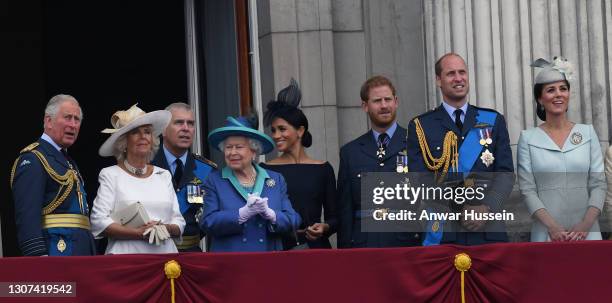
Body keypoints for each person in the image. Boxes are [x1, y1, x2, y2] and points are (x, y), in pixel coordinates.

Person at [406, 53, 514, 245]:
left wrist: (486, 208)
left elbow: (505, 174)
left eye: (462, 72)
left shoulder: (493, 120)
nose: (458, 78)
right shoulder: (421, 126)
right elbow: (420, 180)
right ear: (439, 80)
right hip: (444, 231)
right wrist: (461, 208)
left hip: (488, 230)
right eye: (451, 74)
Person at [517, 57, 606, 242]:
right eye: (551, 90)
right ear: (540, 99)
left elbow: (598, 184)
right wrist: (552, 227)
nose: (558, 94)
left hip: (587, 233)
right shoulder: (528, 138)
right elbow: (528, 190)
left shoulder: (587, 133)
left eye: (563, 89)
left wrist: (585, 225)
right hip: (546, 234)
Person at [337, 75, 421, 248]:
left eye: (388, 99)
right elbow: (345, 210)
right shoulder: (350, 152)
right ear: (365, 106)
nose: (384, 106)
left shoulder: (417, 144)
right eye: (377, 101)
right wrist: (344, 254)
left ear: (396, 101)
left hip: (406, 244)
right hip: (364, 246)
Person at [90, 104, 186, 254]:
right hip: (126, 259)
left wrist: (165, 228)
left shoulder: (164, 175)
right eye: (135, 132)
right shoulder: (110, 175)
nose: (143, 137)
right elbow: (99, 221)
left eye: (147, 132)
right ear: (124, 143)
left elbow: (179, 222)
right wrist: (139, 233)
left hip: (165, 260)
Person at [200, 113, 301, 252]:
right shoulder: (214, 180)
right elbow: (207, 222)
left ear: (254, 151)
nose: (232, 152)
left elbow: (293, 220)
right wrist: (241, 214)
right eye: (228, 147)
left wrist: (272, 215)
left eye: (239, 147)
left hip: (267, 261)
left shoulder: (275, 179)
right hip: (230, 263)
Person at [10, 94, 95, 256]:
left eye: (77, 120)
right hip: (56, 250)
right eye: (68, 118)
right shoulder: (34, 158)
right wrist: (37, 255)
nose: (73, 125)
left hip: (81, 250)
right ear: (48, 121)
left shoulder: (67, 160)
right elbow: (27, 214)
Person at [260, 79, 338, 249]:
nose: (275, 135)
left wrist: (325, 227)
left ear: (300, 131)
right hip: (279, 250)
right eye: (273, 130)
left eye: (282, 129)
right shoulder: (265, 169)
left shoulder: (323, 168)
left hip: (316, 250)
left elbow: (336, 217)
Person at [151, 102, 216, 252]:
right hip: (153, 251)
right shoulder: (147, 165)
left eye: (190, 123)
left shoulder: (206, 170)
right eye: (179, 123)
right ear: (163, 130)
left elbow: (210, 215)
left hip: (191, 252)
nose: (186, 128)